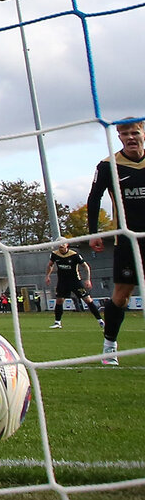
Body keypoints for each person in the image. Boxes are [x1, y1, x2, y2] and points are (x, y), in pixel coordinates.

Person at [88, 120, 145, 366]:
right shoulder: (108, 166)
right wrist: (94, 233)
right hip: (127, 238)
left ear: (143, 133)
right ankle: (109, 346)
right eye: (125, 134)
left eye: (135, 132)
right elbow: (94, 198)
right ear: (119, 137)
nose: (131, 137)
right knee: (122, 294)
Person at [45, 240, 105, 329]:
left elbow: (86, 267)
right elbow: (50, 265)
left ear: (67, 244)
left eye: (63, 243)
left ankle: (100, 321)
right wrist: (47, 276)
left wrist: (88, 279)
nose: (61, 245)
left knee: (87, 299)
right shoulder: (55, 254)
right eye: (59, 244)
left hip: (75, 281)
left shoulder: (74, 255)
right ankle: (57, 322)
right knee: (59, 300)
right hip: (62, 282)